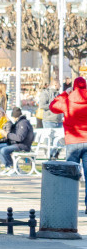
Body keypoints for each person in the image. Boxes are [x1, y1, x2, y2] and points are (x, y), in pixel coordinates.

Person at [50, 77, 87, 213]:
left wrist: (65, 93)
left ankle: (69, 203)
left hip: (72, 141)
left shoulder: (68, 99)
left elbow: (53, 106)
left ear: (74, 86)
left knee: (71, 174)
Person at [0, 107, 35, 175]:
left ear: (14, 116)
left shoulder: (23, 123)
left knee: (4, 150)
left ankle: (11, 166)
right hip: (17, 144)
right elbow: (14, 130)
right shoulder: (19, 122)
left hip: (23, 145)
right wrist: (8, 121)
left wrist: (7, 135)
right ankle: (8, 166)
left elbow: (20, 138)